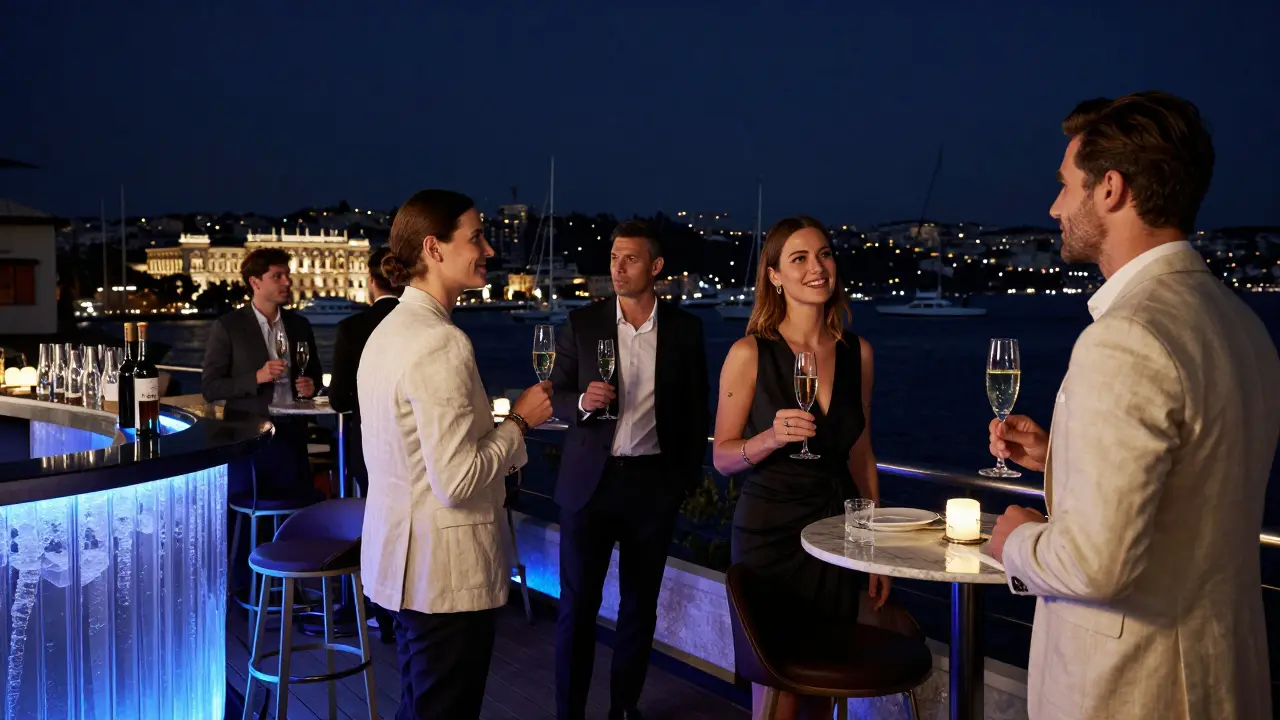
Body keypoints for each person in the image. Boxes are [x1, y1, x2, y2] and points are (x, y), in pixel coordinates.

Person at [986, 92, 1280, 720]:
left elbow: (1096, 565)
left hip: (1133, 690)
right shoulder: (1241, 325)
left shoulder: (1127, 337)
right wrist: (1059, 458)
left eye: (1066, 185)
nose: (1055, 206)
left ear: (1111, 189)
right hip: (1223, 676)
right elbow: (1195, 491)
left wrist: (1014, 542)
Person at [357, 189, 553, 720]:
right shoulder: (441, 342)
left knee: (421, 703)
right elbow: (457, 478)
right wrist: (520, 422)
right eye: (476, 238)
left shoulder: (386, 332)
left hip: (399, 561)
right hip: (443, 574)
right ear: (434, 248)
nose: (488, 250)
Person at [712, 216, 889, 720]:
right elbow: (723, 457)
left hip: (836, 535)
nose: (817, 267)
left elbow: (860, 453)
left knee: (825, 688)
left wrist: (870, 545)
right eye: (800, 258)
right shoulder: (750, 353)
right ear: (773, 276)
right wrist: (768, 438)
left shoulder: (861, 354)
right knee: (777, 692)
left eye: (825, 254)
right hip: (770, 536)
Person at [551, 220, 710, 720]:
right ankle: (569, 713)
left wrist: (680, 481)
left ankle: (623, 709)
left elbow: (694, 409)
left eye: (631, 259)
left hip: (651, 488)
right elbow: (553, 396)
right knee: (576, 609)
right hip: (589, 487)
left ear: (656, 267)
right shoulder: (584, 324)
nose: (617, 268)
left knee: (639, 611)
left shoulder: (685, 330)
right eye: (614, 258)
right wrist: (580, 399)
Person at [202, 247, 323, 498]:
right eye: (277, 276)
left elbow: (315, 375)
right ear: (255, 282)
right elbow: (211, 387)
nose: (288, 282)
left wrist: (311, 386)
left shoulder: (300, 325)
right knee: (251, 516)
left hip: (293, 437)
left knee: (296, 510)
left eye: (287, 275)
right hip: (250, 439)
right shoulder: (228, 327)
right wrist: (256, 378)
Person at [328, 244, 402, 643]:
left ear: (371, 282)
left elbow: (339, 399)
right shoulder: (422, 323)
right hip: (414, 444)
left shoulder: (352, 329)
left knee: (377, 525)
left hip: (368, 443)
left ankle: (380, 611)